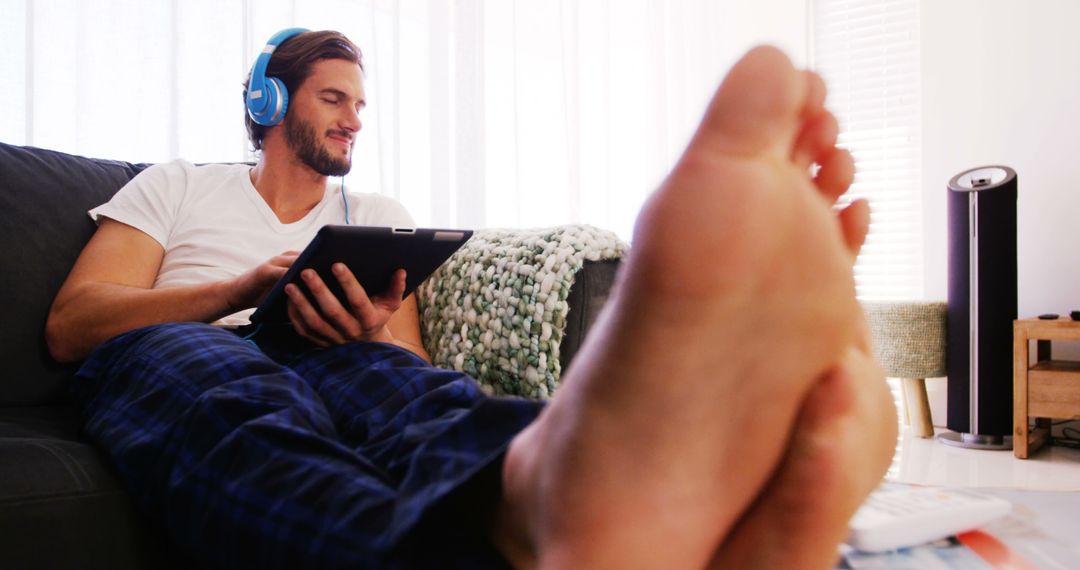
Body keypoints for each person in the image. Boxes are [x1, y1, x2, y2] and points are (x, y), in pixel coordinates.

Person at [45, 29, 897, 569]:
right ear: (268, 101)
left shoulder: (377, 217)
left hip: (328, 349)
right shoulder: (175, 187)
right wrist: (235, 291)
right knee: (235, 396)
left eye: (362, 104)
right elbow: (72, 325)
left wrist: (368, 330)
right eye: (333, 98)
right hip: (183, 345)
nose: (354, 120)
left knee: (417, 394)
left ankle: (542, 489)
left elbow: (410, 362)